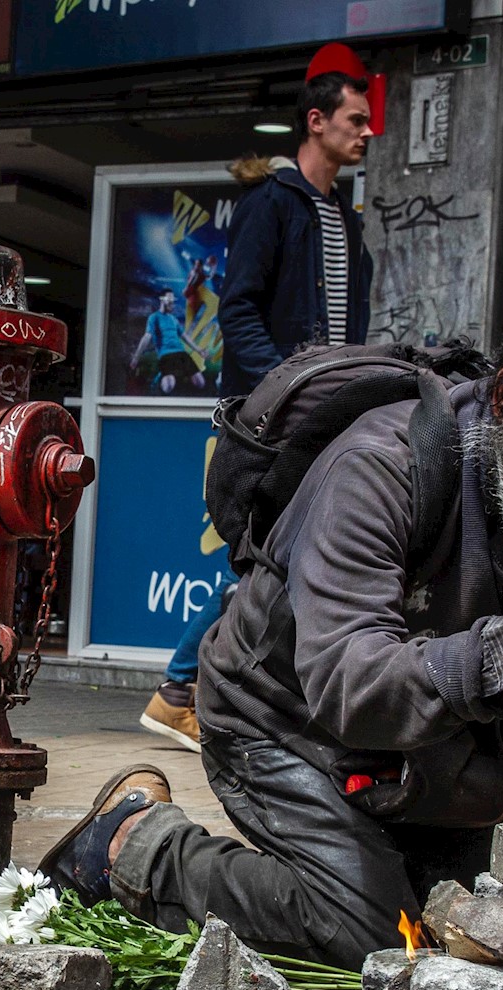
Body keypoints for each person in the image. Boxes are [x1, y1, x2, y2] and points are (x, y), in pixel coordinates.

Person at [51, 288, 503, 968]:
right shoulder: (383, 464)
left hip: (425, 759)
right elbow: (349, 684)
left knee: (479, 938)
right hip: (285, 723)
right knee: (376, 939)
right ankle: (137, 844)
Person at [142, 47, 375, 753]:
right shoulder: (270, 207)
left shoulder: (346, 220)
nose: (367, 133)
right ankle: (181, 687)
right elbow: (238, 310)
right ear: (316, 122)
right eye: (355, 120)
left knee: (284, 553)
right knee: (261, 555)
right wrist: (286, 386)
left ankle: (208, 689)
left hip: (323, 409)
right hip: (273, 415)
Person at [134, 290, 207, 394]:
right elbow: (147, 337)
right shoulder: (154, 318)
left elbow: (184, 336)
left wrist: (198, 350)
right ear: (162, 300)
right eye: (169, 300)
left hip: (181, 354)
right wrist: (136, 357)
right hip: (166, 354)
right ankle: (158, 380)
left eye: (173, 300)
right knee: (168, 387)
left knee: (200, 383)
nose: (172, 303)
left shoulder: (173, 319)